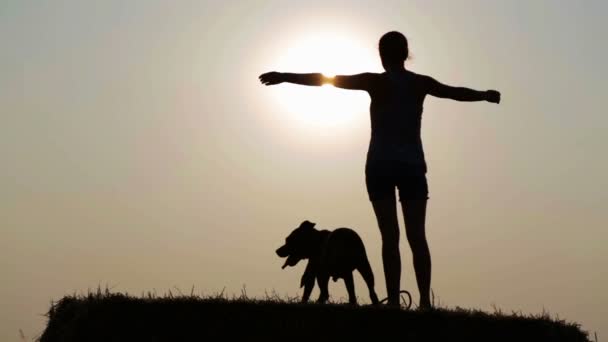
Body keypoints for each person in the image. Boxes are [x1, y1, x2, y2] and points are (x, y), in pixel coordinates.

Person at [259, 31, 500, 309]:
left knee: (390, 238)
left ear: (382, 55)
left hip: (380, 167)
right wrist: (484, 95)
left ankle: (395, 302)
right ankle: (423, 302)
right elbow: (454, 93)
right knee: (417, 237)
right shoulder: (419, 83)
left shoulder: (374, 81)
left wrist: (285, 76)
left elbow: (326, 79)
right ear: (406, 53)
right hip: (411, 167)